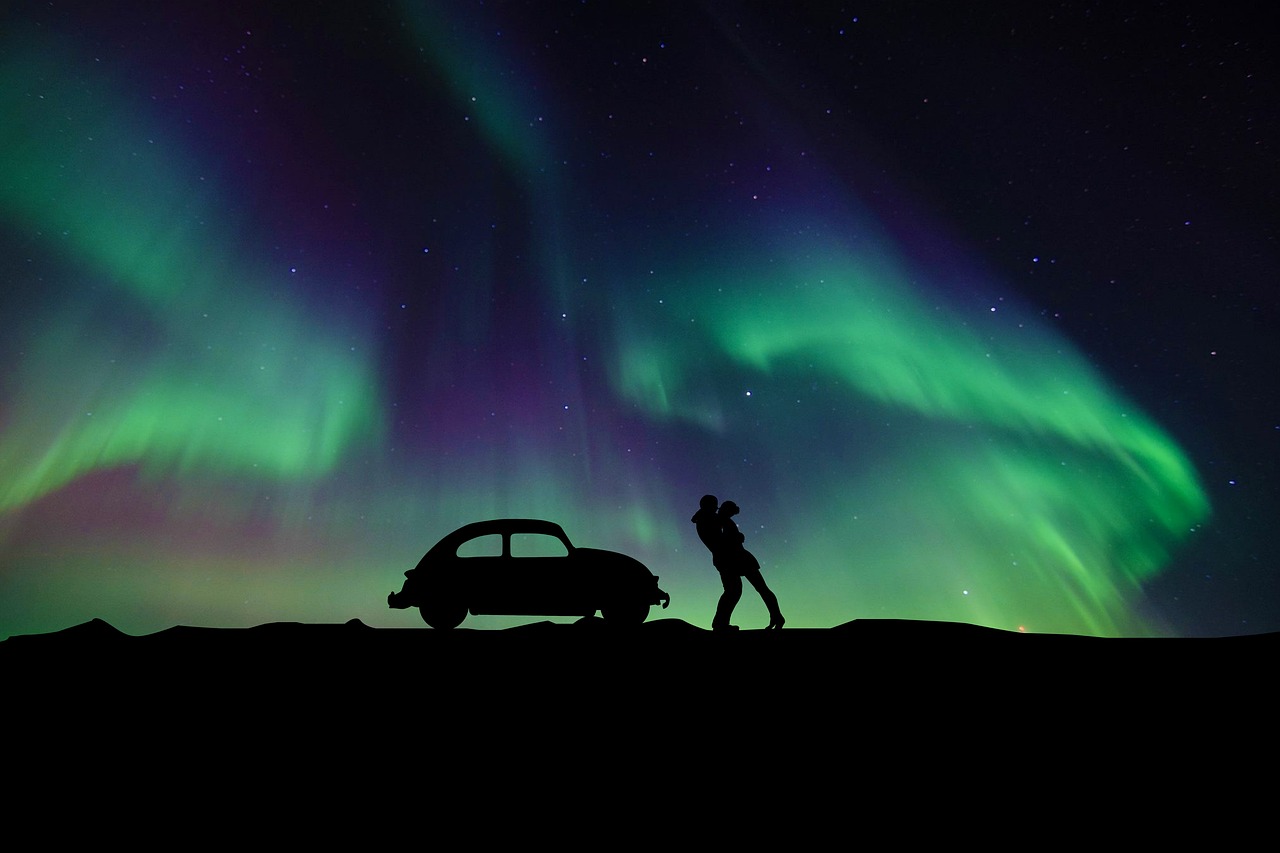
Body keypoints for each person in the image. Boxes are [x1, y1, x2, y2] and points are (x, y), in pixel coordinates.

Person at [717, 500, 785, 630]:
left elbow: (729, 541)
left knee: (762, 589)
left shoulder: (726, 522)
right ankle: (776, 616)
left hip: (742, 560)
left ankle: (777, 616)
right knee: (761, 589)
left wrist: (736, 538)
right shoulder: (726, 522)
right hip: (739, 560)